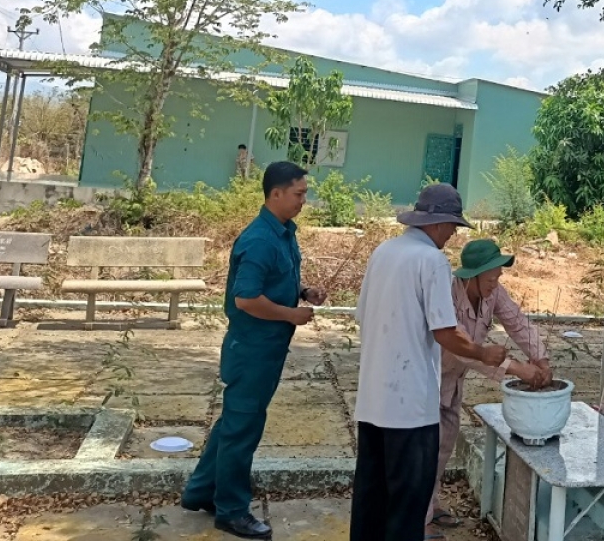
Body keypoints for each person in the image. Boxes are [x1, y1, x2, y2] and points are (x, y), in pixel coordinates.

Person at [351, 183, 507, 541]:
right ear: (437, 223)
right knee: (408, 504)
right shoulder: (432, 261)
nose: (453, 234)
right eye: (452, 226)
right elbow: (445, 332)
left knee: (372, 498)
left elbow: (363, 315)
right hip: (411, 409)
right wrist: (483, 353)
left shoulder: (383, 251)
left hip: (373, 400)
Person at [181, 161, 325, 541]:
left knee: (234, 423)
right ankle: (231, 511)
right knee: (242, 429)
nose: (303, 201)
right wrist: (291, 314)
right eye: (298, 194)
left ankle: (201, 491)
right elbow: (245, 299)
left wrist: (303, 291)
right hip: (252, 351)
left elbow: (272, 281)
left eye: (305, 194)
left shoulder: (283, 232)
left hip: (267, 349)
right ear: (275, 194)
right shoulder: (260, 239)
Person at [425, 238, 551, 539]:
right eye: (491, 278)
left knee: (444, 445)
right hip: (428, 380)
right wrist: (518, 369)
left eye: (498, 277)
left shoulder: (492, 292)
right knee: (425, 449)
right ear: (472, 277)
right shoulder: (447, 296)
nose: (496, 284)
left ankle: (430, 505)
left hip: (452, 382)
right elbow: (463, 350)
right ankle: (418, 521)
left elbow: (517, 322)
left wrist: (541, 358)